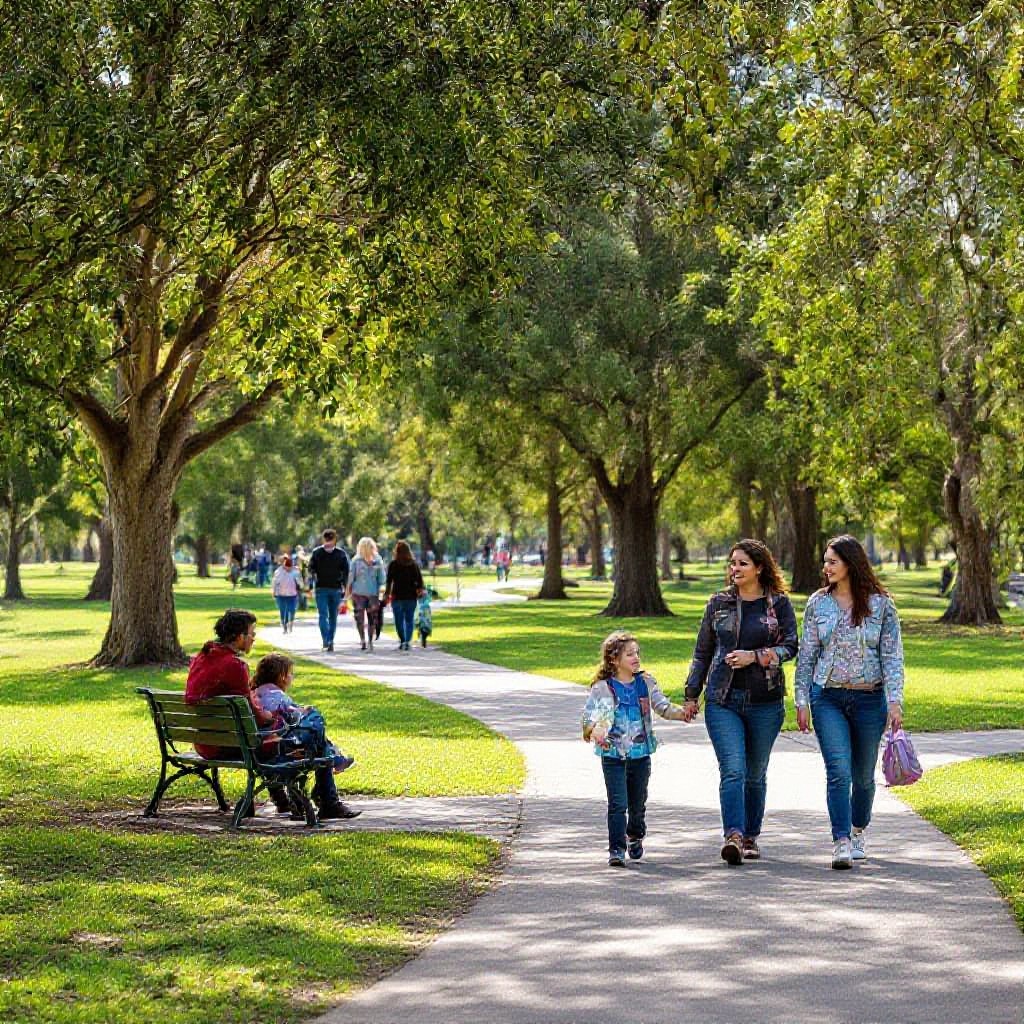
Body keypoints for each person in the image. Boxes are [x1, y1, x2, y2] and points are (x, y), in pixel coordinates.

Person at [683, 539, 798, 865]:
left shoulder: (778, 605)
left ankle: (750, 836)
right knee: (732, 769)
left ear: (759, 567)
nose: (734, 569)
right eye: (732, 563)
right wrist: (692, 694)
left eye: (742, 563)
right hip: (723, 700)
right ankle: (732, 835)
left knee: (755, 773)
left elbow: (791, 646)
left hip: (766, 702)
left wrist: (756, 657)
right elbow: (702, 652)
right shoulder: (717, 603)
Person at [795, 534, 905, 870]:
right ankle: (840, 840)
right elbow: (808, 654)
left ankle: (858, 830)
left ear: (850, 564)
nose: (825, 567)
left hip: (870, 699)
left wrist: (894, 700)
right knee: (838, 771)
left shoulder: (881, 606)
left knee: (863, 776)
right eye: (825, 561)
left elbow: (892, 656)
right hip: (827, 696)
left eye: (832, 561)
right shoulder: (818, 603)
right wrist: (802, 699)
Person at [183, 609, 356, 820]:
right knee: (315, 721)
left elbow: (243, 707)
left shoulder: (203, 658)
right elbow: (255, 716)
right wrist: (270, 716)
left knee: (311, 734)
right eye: (251, 633)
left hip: (207, 741)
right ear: (239, 637)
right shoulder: (234, 666)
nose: (254, 638)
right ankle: (325, 799)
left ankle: (293, 798)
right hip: (240, 744)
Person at [582, 631, 689, 867]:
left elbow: (662, 706)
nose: (636, 658)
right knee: (617, 803)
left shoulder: (646, 682)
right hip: (612, 755)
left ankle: (635, 835)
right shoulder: (602, 688)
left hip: (640, 754)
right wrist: (593, 730)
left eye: (637, 653)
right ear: (613, 659)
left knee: (637, 804)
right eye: (630, 654)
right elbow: (589, 716)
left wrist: (682, 713)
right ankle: (616, 850)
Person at [252, 653, 357, 779]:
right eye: (291, 673)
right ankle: (336, 760)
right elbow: (293, 717)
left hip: (259, 743)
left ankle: (337, 759)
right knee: (314, 723)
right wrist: (304, 711)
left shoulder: (256, 693)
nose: (292, 676)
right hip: (280, 743)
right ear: (282, 677)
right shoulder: (277, 695)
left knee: (316, 734)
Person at [308, 529, 350, 652]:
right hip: (321, 588)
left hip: (336, 589)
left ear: (334, 540)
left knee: (333, 616)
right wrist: (311, 584)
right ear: (323, 540)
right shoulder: (317, 553)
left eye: (330, 540)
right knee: (323, 615)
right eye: (327, 540)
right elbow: (311, 569)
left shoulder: (341, 554)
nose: (328, 543)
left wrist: (345, 590)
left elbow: (346, 573)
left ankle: (330, 640)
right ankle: (326, 640)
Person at [347, 536, 386, 652]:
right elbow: (382, 578)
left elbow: (351, 578)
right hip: (372, 594)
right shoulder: (378, 559)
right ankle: (370, 641)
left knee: (359, 618)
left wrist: (348, 592)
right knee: (372, 618)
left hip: (358, 594)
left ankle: (363, 640)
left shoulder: (355, 560)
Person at [385, 540, 425, 651]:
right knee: (409, 619)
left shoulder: (393, 564)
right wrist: (420, 590)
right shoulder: (413, 564)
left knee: (398, 620)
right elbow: (420, 581)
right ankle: (407, 641)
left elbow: (389, 581)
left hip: (397, 596)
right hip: (410, 597)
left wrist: (387, 594)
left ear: (396, 551)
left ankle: (403, 640)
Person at [271, 555, 302, 633]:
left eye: (290, 567)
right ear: (284, 565)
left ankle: (290, 624)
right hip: (281, 595)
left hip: (292, 595)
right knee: (283, 611)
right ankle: (284, 627)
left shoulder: (295, 571)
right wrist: (274, 592)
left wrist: (300, 582)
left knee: (291, 610)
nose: (288, 569)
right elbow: (274, 583)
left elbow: (301, 583)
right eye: (286, 567)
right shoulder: (278, 572)